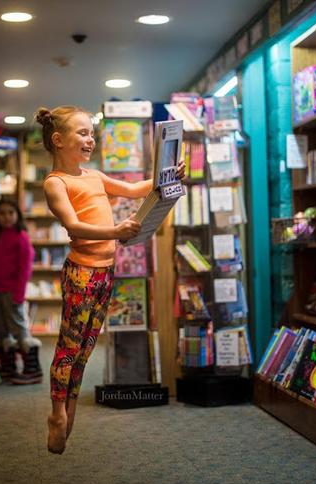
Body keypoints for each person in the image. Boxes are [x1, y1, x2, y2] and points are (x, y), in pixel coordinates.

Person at [35, 105, 185, 454]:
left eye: (92, 133)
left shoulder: (95, 176)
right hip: (82, 273)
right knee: (70, 346)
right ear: (58, 140)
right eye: (82, 133)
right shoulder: (56, 183)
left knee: (86, 348)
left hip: (105, 273)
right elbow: (73, 226)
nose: (91, 139)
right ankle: (58, 411)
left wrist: (168, 177)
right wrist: (115, 230)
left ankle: (69, 406)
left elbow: (134, 190)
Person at [0, 198, 42, 385]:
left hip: (11, 291)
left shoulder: (21, 236)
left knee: (18, 328)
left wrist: (19, 294)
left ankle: (33, 370)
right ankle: (8, 368)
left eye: (10, 213)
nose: (6, 217)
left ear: (17, 215)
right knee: (1, 330)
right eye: (2, 213)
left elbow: (25, 268)